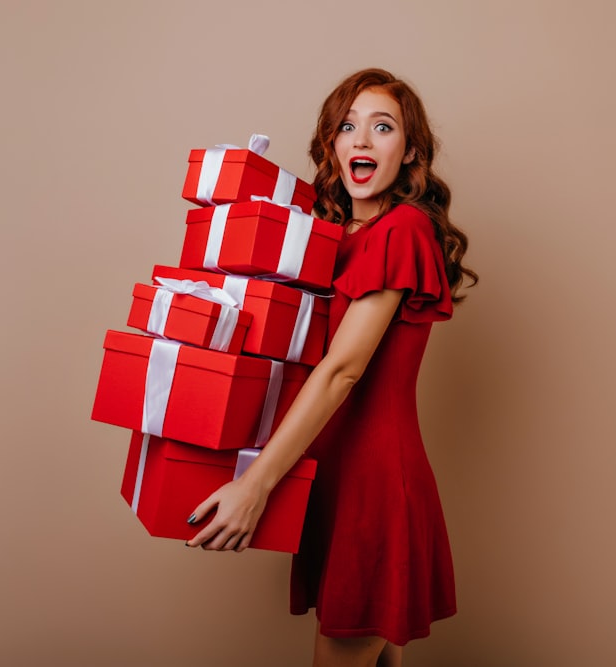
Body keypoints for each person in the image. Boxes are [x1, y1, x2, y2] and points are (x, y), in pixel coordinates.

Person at [185, 67, 477, 667]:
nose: (362, 141)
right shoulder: (330, 235)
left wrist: (255, 486)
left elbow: (343, 371)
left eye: (382, 127)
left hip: (375, 488)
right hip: (334, 481)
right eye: (348, 126)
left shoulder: (403, 230)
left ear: (411, 150)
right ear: (332, 143)